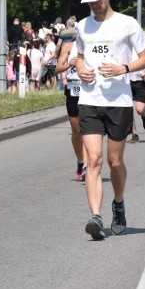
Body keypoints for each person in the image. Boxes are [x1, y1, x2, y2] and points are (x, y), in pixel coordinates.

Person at [74, 0, 145, 240]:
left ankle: (118, 204)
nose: (93, 5)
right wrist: (81, 71)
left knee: (114, 161)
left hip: (118, 101)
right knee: (93, 160)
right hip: (89, 100)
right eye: (89, 2)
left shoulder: (127, 24)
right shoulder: (83, 26)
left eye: (97, 0)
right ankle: (96, 217)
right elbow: (80, 57)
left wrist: (124, 69)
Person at [56, 35, 85, 180]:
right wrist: (70, 64)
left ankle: (88, 165)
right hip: (73, 89)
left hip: (90, 89)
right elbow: (58, 68)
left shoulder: (93, 45)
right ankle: (80, 161)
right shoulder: (68, 47)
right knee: (76, 131)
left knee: (89, 129)